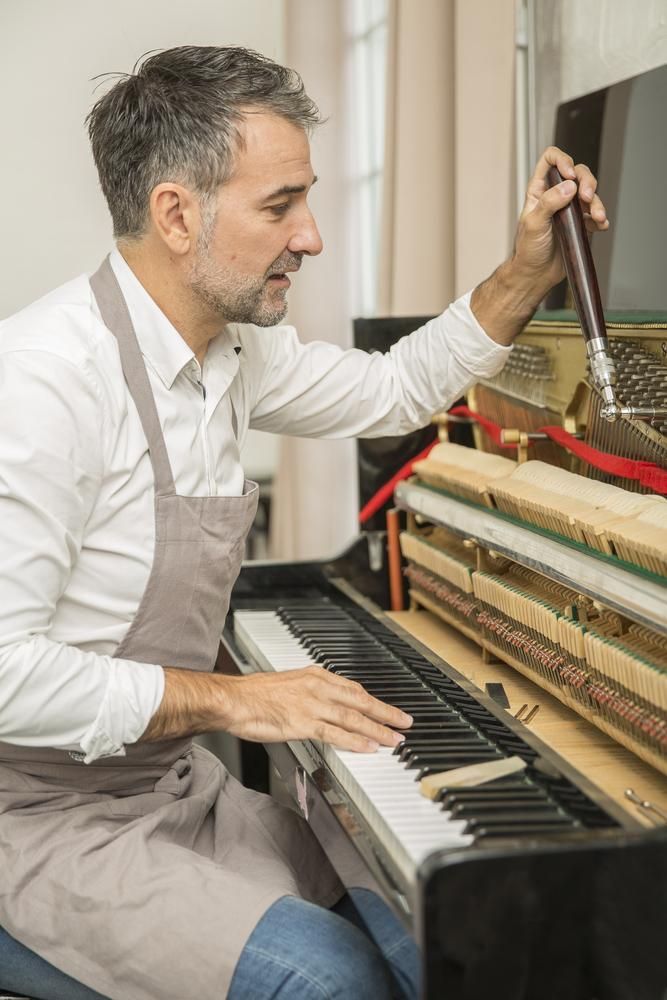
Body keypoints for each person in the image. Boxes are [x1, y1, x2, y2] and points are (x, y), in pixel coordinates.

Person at [0, 45, 608, 1000]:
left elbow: (399, 386)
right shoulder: (40, 382)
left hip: (165, 793)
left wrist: (527, 267)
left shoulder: (234, 352)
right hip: (32, 825)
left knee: (419, 928)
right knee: (333, 981)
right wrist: (236, 700)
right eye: (279, 206)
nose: (311, 236)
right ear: (175, 213)